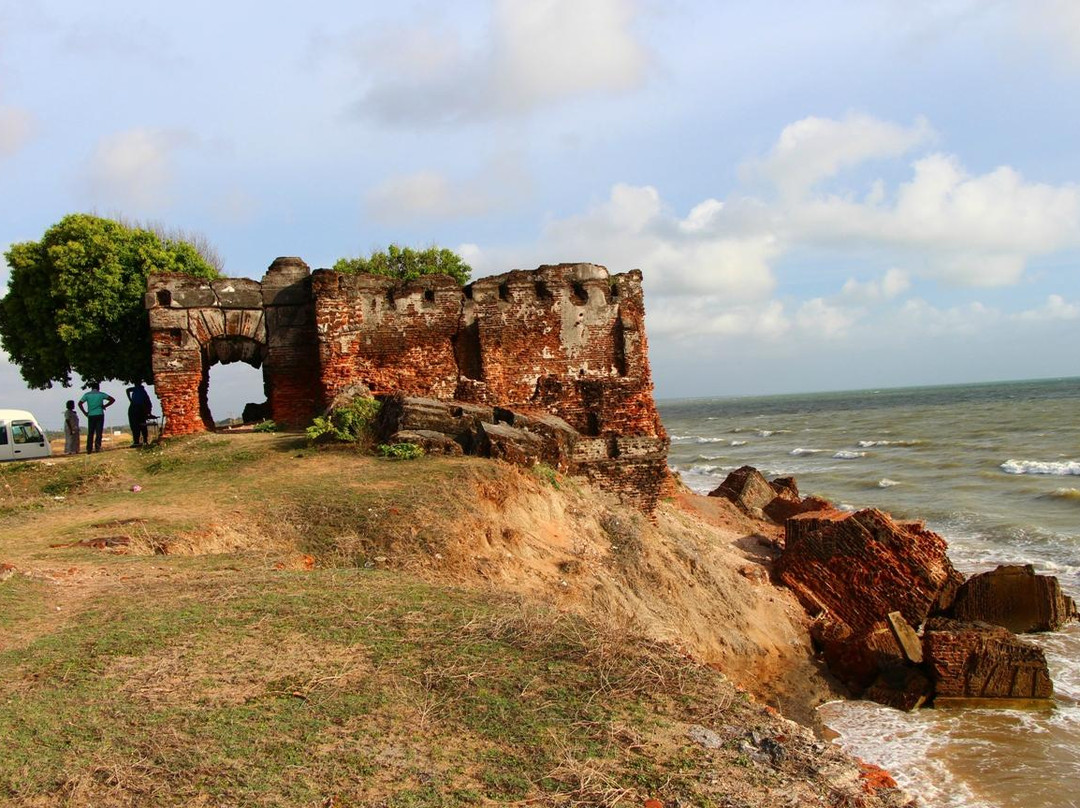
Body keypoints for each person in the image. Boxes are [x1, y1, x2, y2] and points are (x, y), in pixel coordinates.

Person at [78, 382, 115, 454]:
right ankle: (97, 447)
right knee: (99, 432)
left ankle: (89, 449)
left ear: (91, 388)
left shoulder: (87, 395)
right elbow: (112, 400)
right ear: (98, 387)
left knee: (90, 432)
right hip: (100, 414)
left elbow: (80, 403)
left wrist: (85, 412)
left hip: (91, 415)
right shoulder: (101, 394)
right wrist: (105, 406)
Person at [125, 382, 153, 447]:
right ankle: (144, 441)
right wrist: (148, 413)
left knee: (135, 425)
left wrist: (130, 399)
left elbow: (127, 390)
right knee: (142, 425)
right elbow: (148, 403)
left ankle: (137, 441)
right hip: (140, 409)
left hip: (135, 408)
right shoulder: (142, 391)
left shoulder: (137, 390)